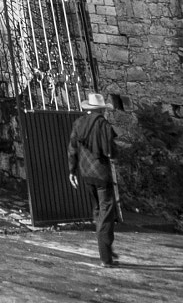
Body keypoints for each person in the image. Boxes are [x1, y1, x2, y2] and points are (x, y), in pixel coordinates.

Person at [68, 91, 119, 266]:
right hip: (102, 174)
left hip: (85, 173)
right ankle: (106, 255)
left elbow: (72, 149)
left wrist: (72, 171)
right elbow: (111, 151)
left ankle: (105, 247)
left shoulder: (78, 124)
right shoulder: (103, 125)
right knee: (106, 211)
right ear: (101, 110)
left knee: (98, 210)